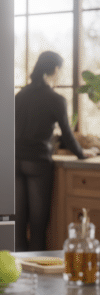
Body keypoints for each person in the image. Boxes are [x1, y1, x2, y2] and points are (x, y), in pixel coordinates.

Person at [15, 51, 98, 251]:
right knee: (37, 226)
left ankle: (20, 273)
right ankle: (38, 275)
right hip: (37, 162)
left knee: (18, 225)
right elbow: (68, 136)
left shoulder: (20, 95)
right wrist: (82, 153)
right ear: (55, 69)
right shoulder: (55, 99)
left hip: (15, 159)